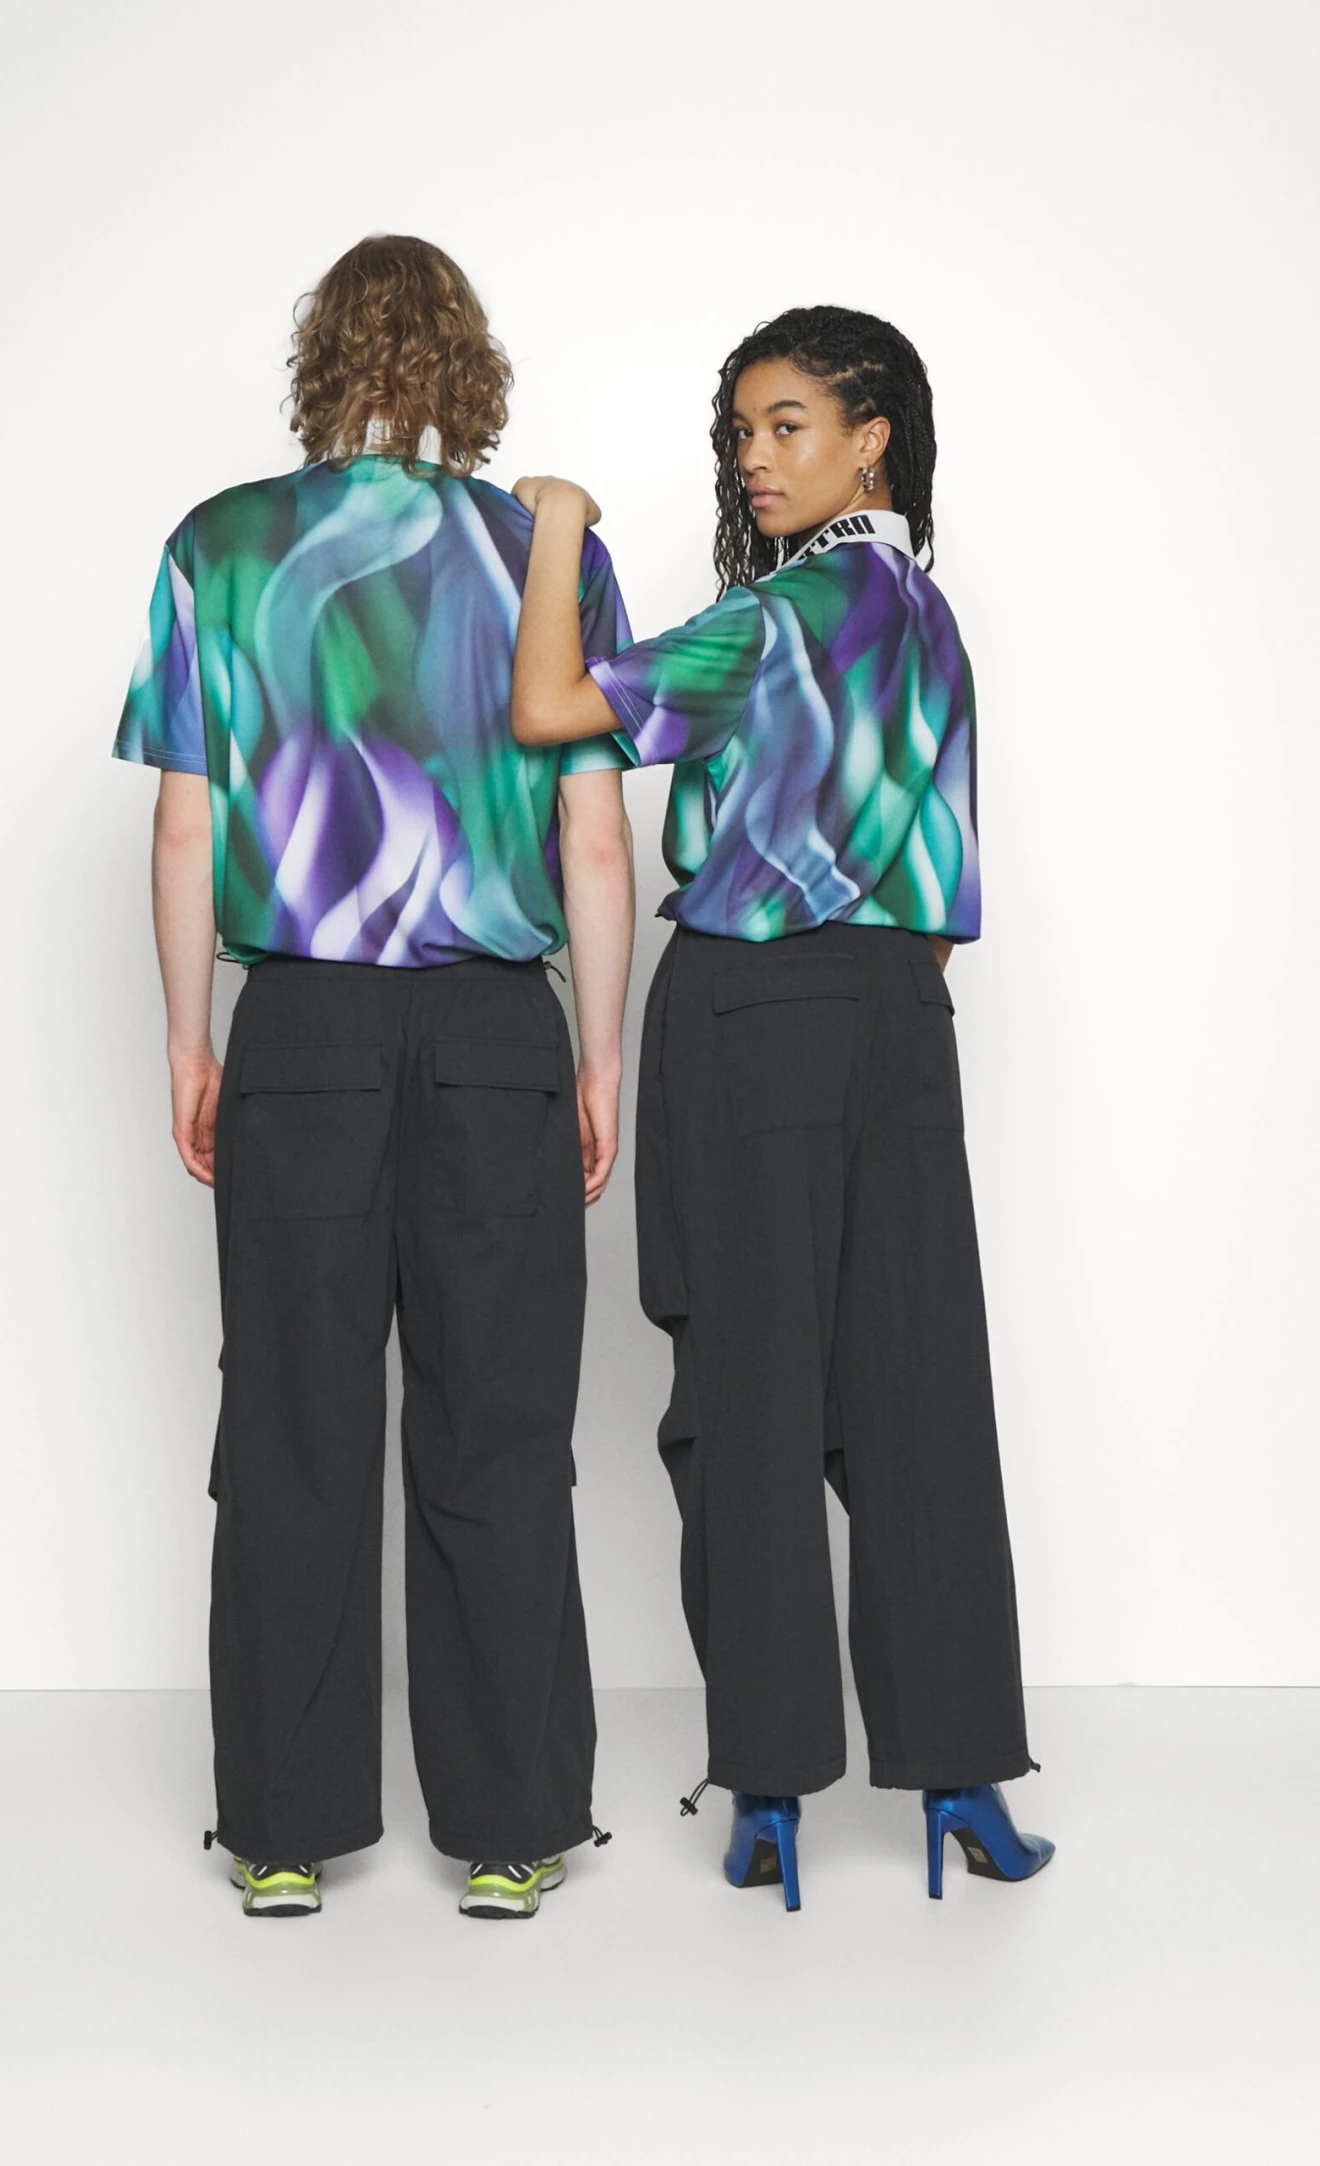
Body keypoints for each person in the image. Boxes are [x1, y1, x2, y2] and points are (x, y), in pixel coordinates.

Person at [114, 235, 635, 1921]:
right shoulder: (545, 557)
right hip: (495, 1035)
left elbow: (184, 824)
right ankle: (512, 1826)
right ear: (470, 370)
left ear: (319, 359)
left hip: (304, 1036)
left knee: (290, 1428)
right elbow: (594, 834)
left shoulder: (217, 547)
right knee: (504, 1426)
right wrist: (600, 1052)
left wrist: (190, 1037)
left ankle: (280, 1830)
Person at [508, 305, 1053, 1909]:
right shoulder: (932, 623)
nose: (754, 458)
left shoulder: (774, 620)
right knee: (921, 1393)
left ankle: (767, 1783)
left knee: (748, 1391)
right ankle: (962, 1775)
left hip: (753, 1015)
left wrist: (559, 526)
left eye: (788, 424)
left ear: (872, 438)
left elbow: (549, 706)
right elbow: (929, 863)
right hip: (902, 1017)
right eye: (742, 431)